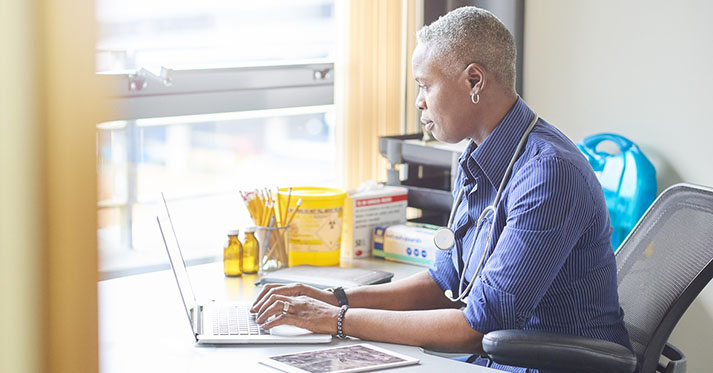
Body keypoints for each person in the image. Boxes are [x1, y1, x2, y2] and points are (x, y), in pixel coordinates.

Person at [251, 6, 632, 372]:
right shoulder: (478, 157)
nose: (418, 101)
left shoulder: (549, 174)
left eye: (425, 85)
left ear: (473, 81)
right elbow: (440, 283)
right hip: (496, 360)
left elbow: (477, 327)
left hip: (550, 367)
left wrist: (336, 320)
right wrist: (331, 298)